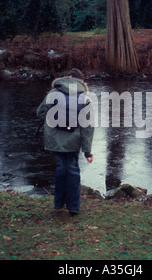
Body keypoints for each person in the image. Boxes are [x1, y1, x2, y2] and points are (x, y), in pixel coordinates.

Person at [37, 68, 94, 216]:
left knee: (61, 167)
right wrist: (87, 150)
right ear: (81, 82)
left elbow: (40, 113)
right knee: (73, 169)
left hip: (55, 139)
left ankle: (58, 203)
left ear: (66, 78)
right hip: (74, 141)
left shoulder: (53, 93)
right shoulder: (85, 98)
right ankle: (73, 207)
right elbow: (88, 127)